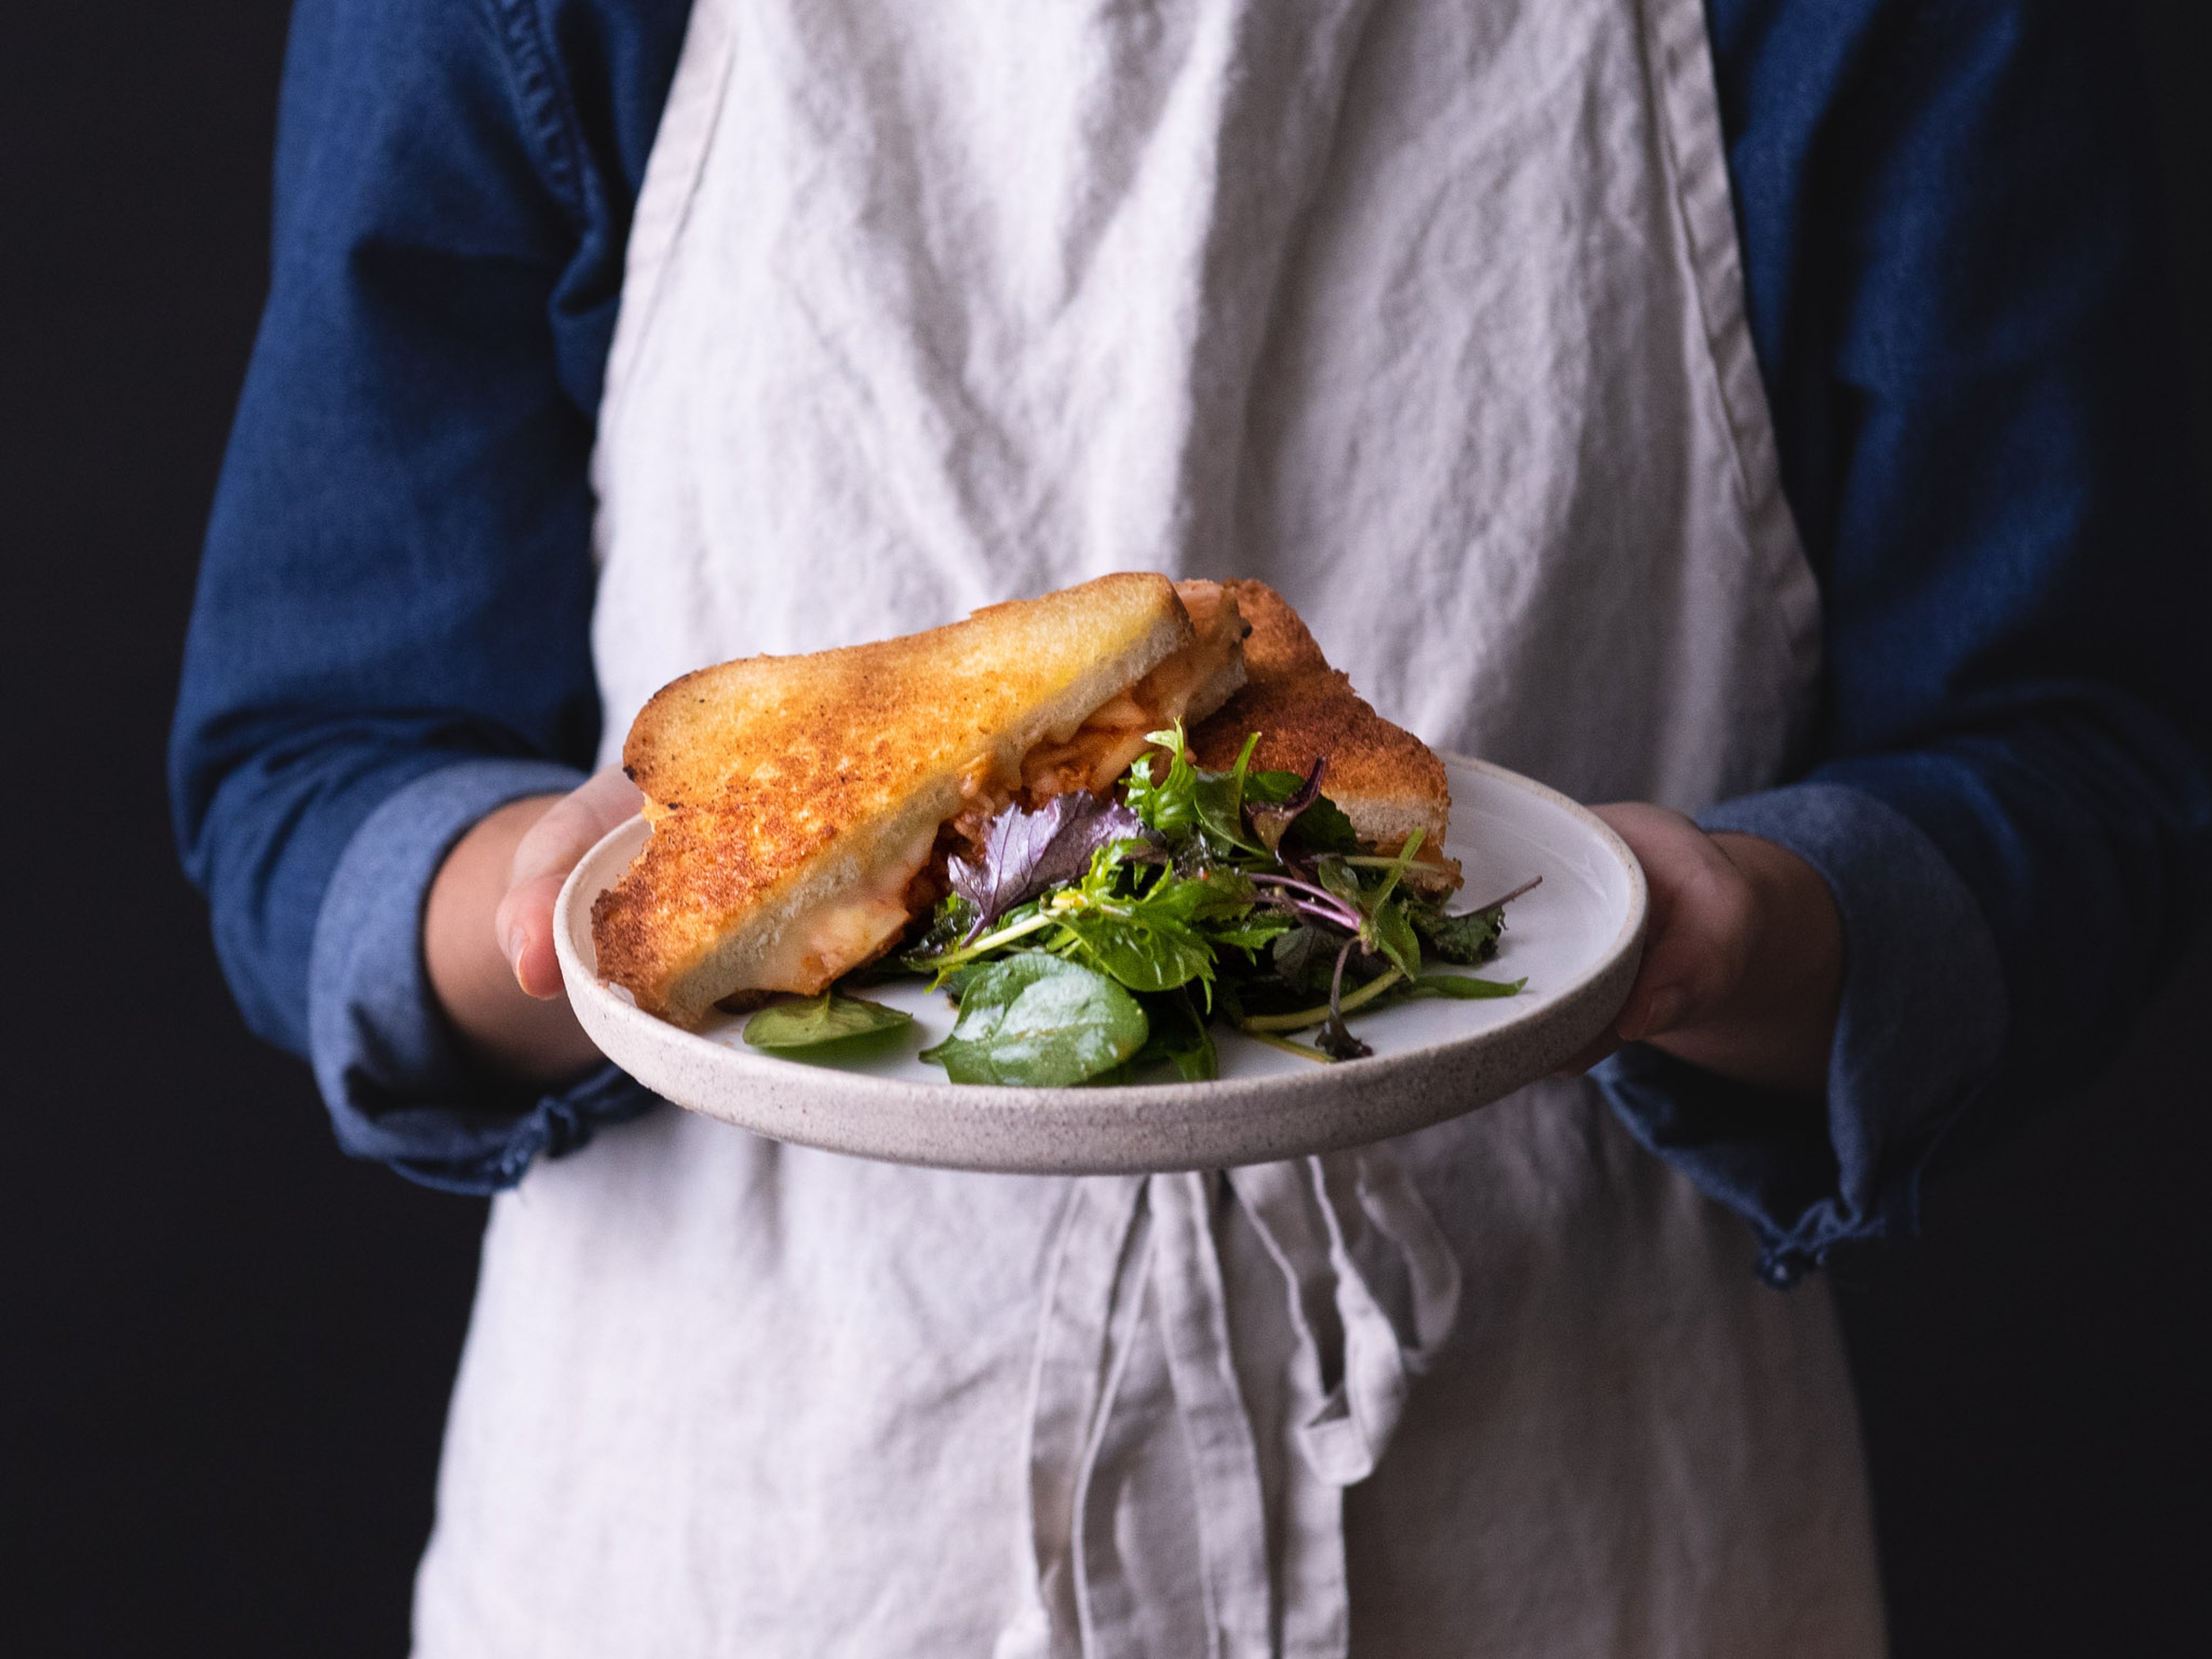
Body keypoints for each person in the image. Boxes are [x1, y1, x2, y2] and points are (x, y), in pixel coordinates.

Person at [171, 0, 2210, 1652]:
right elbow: (313, 766)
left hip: (1593, 1540)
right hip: (750, 1541)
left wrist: (1729, 935)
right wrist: (554, 913)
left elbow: (2082, 762)